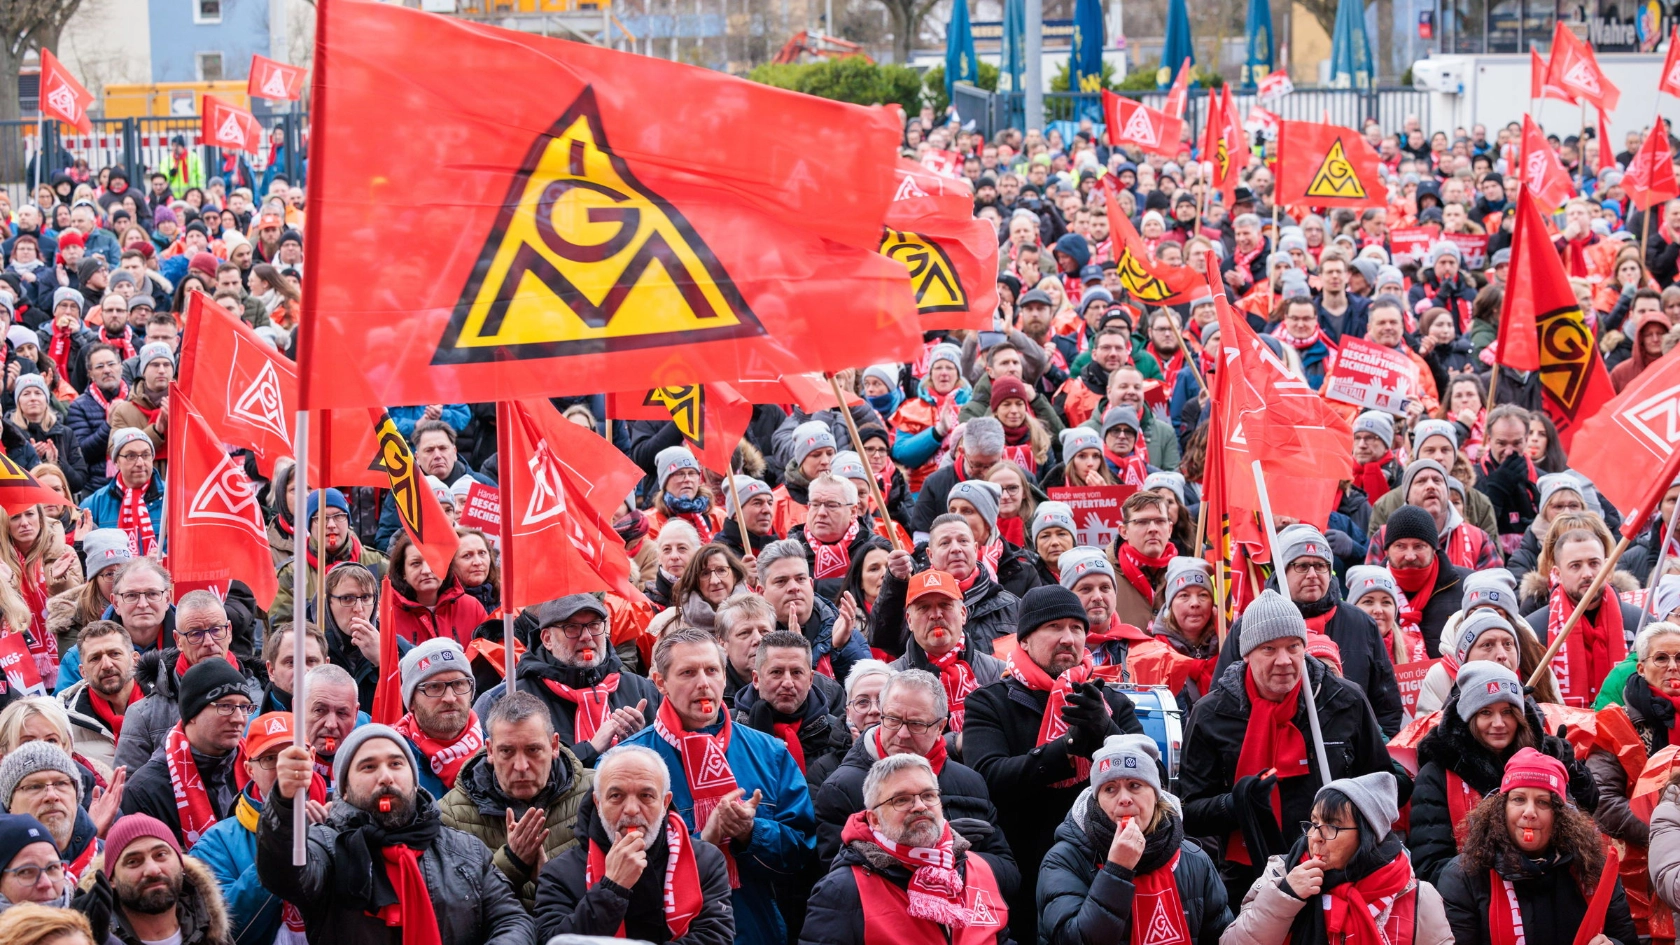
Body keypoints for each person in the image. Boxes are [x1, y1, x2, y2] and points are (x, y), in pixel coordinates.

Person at [1182, 590, 1405, 905]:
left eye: (1293, 647)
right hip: (1249, 878)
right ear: (1247, 653)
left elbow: (1381, 784)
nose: (1284, 660)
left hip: (1338, 873)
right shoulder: (1212, 714)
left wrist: (1344, 814)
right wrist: (1237, 804)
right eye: (1269, 649)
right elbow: (1189, 813)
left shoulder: (1342, 700)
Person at [963, 584, 1144, 945]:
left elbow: (1146, 774)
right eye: (1054, 627)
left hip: (1105, 868)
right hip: (1023, 872)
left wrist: (1106, 730)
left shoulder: (1109, 701)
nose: (1068, 638)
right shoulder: (989, 703)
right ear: (1025, 641)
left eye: (1077, 628)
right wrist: (1068, 749)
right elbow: (989, 777)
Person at [619, 628, 817, 945]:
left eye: (712, 670)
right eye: (687, 672)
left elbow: (803, 851)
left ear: (724, 677)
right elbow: (619, 866)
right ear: (660, 682)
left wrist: (751, 832)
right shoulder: (627, 762)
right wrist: (704, 842)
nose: (703, 683)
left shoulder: (770, 753)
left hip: (756, 930)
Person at [257, 723, 534, 944]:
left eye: (396, 764)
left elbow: (512, 921)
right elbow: (284, 873)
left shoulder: (465, 851)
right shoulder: (326, 846)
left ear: (414, 781)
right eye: (368, 767)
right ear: (343, 788)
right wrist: (283, 801)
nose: (386, 777)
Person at [1409, 660, 1594, 884]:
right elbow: (1430, 865)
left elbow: (1588, 812)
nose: (1499, 723)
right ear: (1469, 717)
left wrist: (1570, 770)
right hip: (1476, 903)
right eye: (1486, 712)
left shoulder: (1543, 755)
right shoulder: (1437, 773)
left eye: (1507, 711)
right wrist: (1498, 869)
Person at [531, 743, 735, 945]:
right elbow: (553, 940)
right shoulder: (560, 873)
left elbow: (716, 936)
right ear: (598, 803)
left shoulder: (705, 860)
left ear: (665, 803)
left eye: (646, 796)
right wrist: (611, 888)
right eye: (616, 796)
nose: (630, 809)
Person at [1039, 733, 1231, 945]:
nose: (1124, 799)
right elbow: (1071, 939)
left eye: (1135, 785)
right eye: (1110, 788)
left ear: (1156, 794)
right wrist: (1117, 871)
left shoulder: (1194, 859)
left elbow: (1219, 936)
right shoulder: (1064, 860)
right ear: (1097, 800)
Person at [801, 753, 1012, 945]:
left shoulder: (978, 868)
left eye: (928, 795)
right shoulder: (842, 890)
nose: (920, 806)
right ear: (874, 819)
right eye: (901, 799)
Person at [1221, 772, 1452, 945]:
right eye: (1313, 823)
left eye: (1332, 826)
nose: (1315, 837)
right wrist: (1286, 896)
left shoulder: (1415, 895)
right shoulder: (1281, 874)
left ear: (1367, 834)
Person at [1437, 747, 1638, 945]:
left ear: (1560, 815)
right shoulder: (1464, 875)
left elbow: (1625, 938)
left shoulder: (1593, 869)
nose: (1529, 812)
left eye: (1543, 802)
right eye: (1518, 799)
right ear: (1501, 809)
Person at [1216, 525, 1404, 735]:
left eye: (1321, 565)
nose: (1313, 575)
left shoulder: (1361, 624)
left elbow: (1387, 706)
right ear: (1281, 570)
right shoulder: (1251, 624)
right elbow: (1223, 700)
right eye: (1302, 566)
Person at [439, 691, 591, 910]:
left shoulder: (596, 796)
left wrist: (553, 880)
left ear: (554, 745)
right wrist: (511, 863)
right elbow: (454, 909)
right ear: (490, 750)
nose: (521, 766)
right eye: (507, 751)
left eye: (533, 750)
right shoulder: (451, 815)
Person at [472, 594, 657, 768]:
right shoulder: (506, 699)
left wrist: (640, 740)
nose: (586, 636)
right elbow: (502, 777)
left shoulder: (644, 690)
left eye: (594, 625)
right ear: (547, 639)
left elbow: (670, 764)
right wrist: (589, 750)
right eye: (572, 628)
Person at [188, 711, 325, 945]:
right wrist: (280, 842)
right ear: (250, 769)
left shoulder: (340, 819)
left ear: (311, 757)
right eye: (270, 759)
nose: (284, 768)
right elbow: (221, 932)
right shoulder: (216, 843)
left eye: (292, 755)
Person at [113, 591, 264, 775]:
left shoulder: (263, 697)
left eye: (216, 630)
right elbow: (130, 793)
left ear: (229, 631)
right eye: (196, 634)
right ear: (178, 640)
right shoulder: (145, 714)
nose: (208, 642)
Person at [119, 659, 254, 849]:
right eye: (225, 706)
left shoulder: (258, 767)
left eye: (245, 707)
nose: (239, 719)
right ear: (192, 714)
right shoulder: (144, 790)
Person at [1522, 523, 1641, 707]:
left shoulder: (1641, 624)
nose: (1587, 574)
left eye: (1594, 564)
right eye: (1575, 566)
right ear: (1557, 574)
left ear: (1608, 569)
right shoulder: (1532, 631)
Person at [871, 515, 1021, 658]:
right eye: (945, 543)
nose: (956, 548)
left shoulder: (1010, 606)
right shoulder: (912, 601)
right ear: (930, 554)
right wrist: (895, 582)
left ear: (975, 549)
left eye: (963, 541)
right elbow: (883, 638)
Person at [733, 630, 848, 791]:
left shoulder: (837, 735)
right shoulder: (728, 731)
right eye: (776, 672)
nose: (787, 682)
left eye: (796, 673)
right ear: (756, 679)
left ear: (810, 679)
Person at [102, 813, 234, 945]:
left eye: (161, 854)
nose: (153, 870)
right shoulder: (95, 939)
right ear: (111, 879)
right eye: (133, 861)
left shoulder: (211, 932)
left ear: (182, 865)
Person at [269, 489, 387, 630]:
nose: (331, 524)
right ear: (309, 525)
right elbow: (280, 630)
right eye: (321, 518)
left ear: (348, 520)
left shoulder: (377, 563)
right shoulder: (290, 573)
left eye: (339, 516)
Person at [758, 538, 869, 686]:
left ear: (811, 584)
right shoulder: (753, 640)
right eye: (781, 581)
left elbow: (868, 691)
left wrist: (843, 647)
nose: (793, 587)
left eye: (800, 579)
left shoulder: (845, 632)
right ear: (761, 592)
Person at [0, 741, 102, 887]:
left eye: (61, 783)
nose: (51, 795)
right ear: (10, 804)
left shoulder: (113, 861)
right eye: (34, 786)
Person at [393, 637, 482, 798]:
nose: (450, 698)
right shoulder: (393, 758)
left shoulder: (496, 749)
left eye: (459, 684)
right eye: (434, 687)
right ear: (411, 700)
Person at [1374, 505, 1468, 657]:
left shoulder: (1465, 587)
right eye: (1400, 546)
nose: (1410, 556)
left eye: (1419, 546)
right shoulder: (1370, 591)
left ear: (1433, 548)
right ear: (1387, 550)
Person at [57, 620, 139, 772]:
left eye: (115, 654)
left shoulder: (167, 703)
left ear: (135, 659)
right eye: (95, 658)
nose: (107, 665)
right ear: (83, 672)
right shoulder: (62, 723)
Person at [383, 531, 488, 647]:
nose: (426, 570)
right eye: (416, 563)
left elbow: (489, 656)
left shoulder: (472, 607)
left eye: (433, 561)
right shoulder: (387, 614)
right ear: (403, 572)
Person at [790, 473, 876, 603]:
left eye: (832, 505)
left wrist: (813, 586)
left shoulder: (875, 549)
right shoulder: (788, 551)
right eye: (815, 504)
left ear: (853, 511)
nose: (821, 513)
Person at [78, 429, 162, 557]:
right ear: (116, 462)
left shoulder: (173, 500)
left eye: (145, 455)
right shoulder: (93, 505)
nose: (140, 463)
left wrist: (167, 557)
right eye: (131, 456)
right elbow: (86, 556)